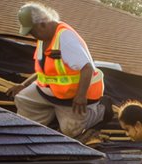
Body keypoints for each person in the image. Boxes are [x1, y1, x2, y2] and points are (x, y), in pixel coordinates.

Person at [6, 3, 110, 140]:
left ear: (42, 24)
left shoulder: (65, 38)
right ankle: (46, 118)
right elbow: (44, 72)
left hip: (71, 97)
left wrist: (81, 95)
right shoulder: (43, 38)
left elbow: (87, 68)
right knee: (22, 99)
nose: (32, 35)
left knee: (70, 130)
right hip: (51, 93)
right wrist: (24, 85)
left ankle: (101, 111)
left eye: (32, 31)